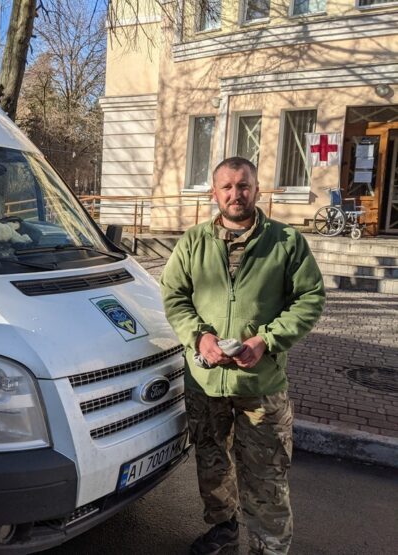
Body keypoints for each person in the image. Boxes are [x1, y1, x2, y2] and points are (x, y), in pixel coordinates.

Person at [160, 157, 325, 555]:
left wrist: (267, 340)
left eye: (244, 185)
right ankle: (222, 530)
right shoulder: (194, 242)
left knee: (266, 474)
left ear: (257, 189)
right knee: (213, 465)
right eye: (227, 187)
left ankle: (269, 547)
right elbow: (174, 296)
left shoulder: (285, 243)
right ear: (214, 193)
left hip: (260, 385)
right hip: (206, 382)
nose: (236, 194)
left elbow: (310, 298)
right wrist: (199, 338)